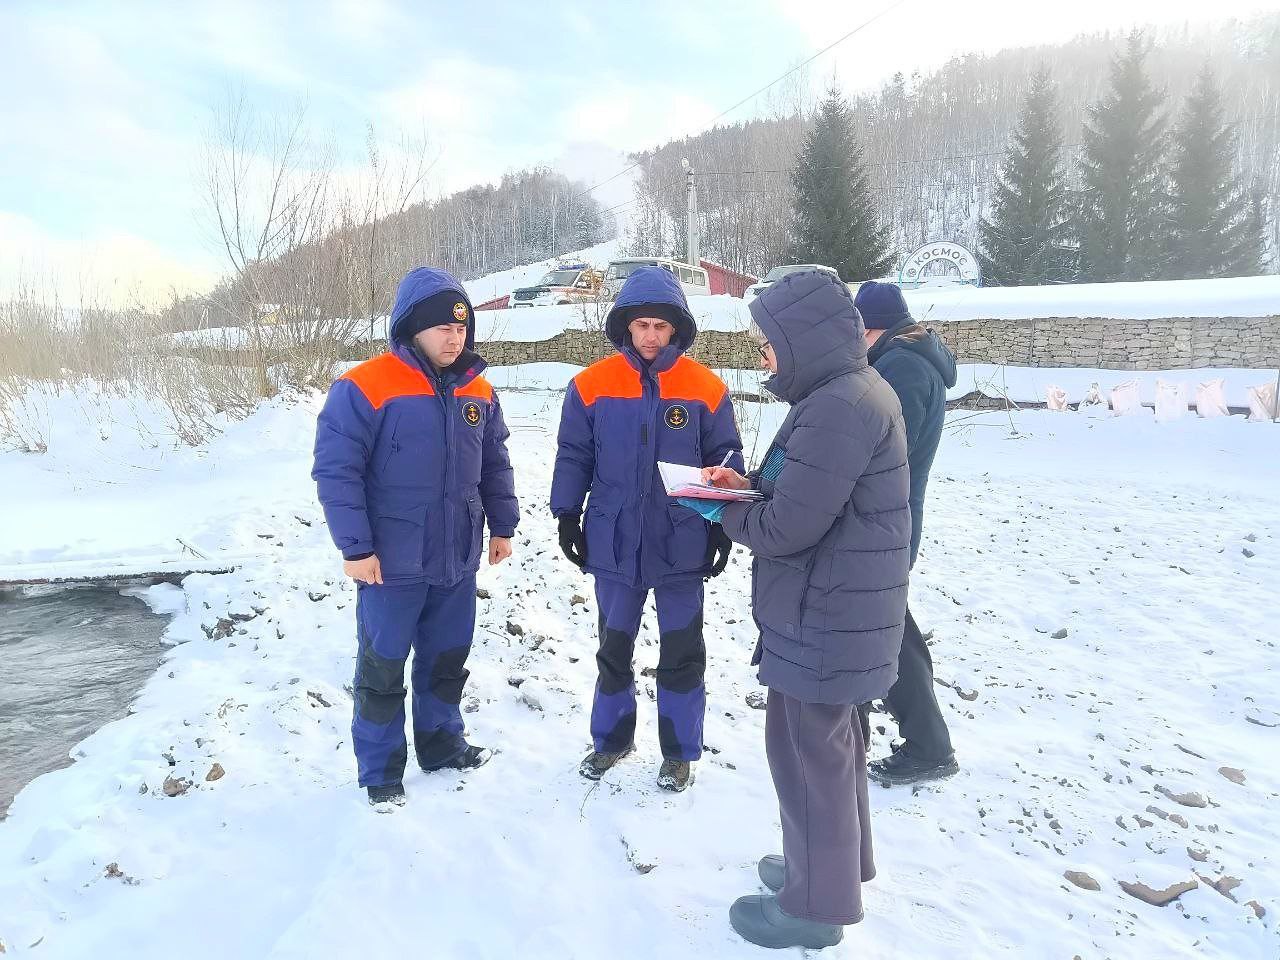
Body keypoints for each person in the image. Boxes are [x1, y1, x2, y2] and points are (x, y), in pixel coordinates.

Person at [692, 269, 911, 949]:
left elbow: (788, 527)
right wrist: (746, 484)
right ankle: (832, 869)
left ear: (802, 339)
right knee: (828, 748)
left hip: (826, 609)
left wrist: (718, 511)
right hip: (833, 605)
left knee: (807, 755)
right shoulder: (841, 392)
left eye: (768, 343)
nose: (763, 355)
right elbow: (804, 488)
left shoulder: (839, 406)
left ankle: (816, 909)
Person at [312, 267, 519, 807]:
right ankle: (381, 771)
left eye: (461, 328)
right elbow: (337, 472)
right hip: (390, 562)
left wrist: (503, 525)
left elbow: (494, 463)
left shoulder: (478, 389)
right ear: (412, 328)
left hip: (457, 556)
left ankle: (442, 745)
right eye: (442, 328)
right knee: (382, 668)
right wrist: (355, 548)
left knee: (446, 659)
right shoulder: (364, 386)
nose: (455, 338)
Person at [550, 265, 743, 792]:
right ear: (626, 327)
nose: (651, 336)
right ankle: (612, 740)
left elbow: (725, 457)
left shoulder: (705, 387)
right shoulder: (590, 386)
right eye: (642, 326)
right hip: (613, 541)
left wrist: (722, 524)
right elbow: (573, 455)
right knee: (613, 650)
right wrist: (567, 514)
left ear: (676, 328)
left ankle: (679, 752)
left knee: (682, 654)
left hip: (683, 541)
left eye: (661, 326)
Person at [854, 280, 960, 786]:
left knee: (888, 631)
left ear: (869, 329)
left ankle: (929, 746)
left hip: (885, 522)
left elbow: (885, 452)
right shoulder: (905, 361)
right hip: (890, 519)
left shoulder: (903, 369)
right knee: (890, 627)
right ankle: (921, 740)